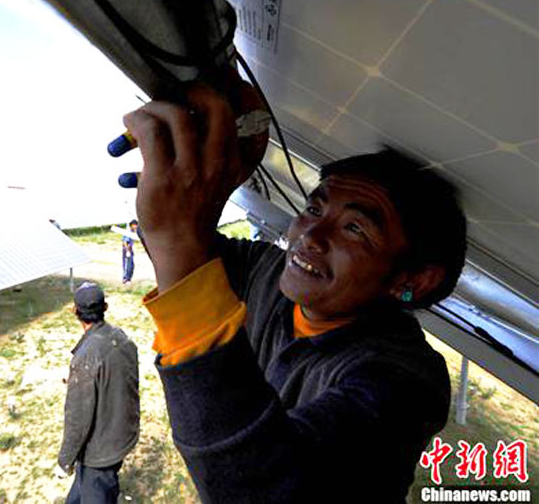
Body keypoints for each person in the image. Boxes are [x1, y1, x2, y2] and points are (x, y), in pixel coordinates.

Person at [121, 78, 466, 502]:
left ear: (412, 280)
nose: (310, 236)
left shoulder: (406, 381)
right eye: (314, 208)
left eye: (355, 228)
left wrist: (176, 238)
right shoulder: (265, 270)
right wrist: (214, 186)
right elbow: (184, 257)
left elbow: (262, 488)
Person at [58, 282, 140, 504]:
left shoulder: (86, 357)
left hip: (100, 453)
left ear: (75, 311)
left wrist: (65, 461)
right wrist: (77, 379)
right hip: (122, 435)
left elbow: (77, 420)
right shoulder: (122, 338)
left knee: (97, 491)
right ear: (105, 307)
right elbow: (120, 377)